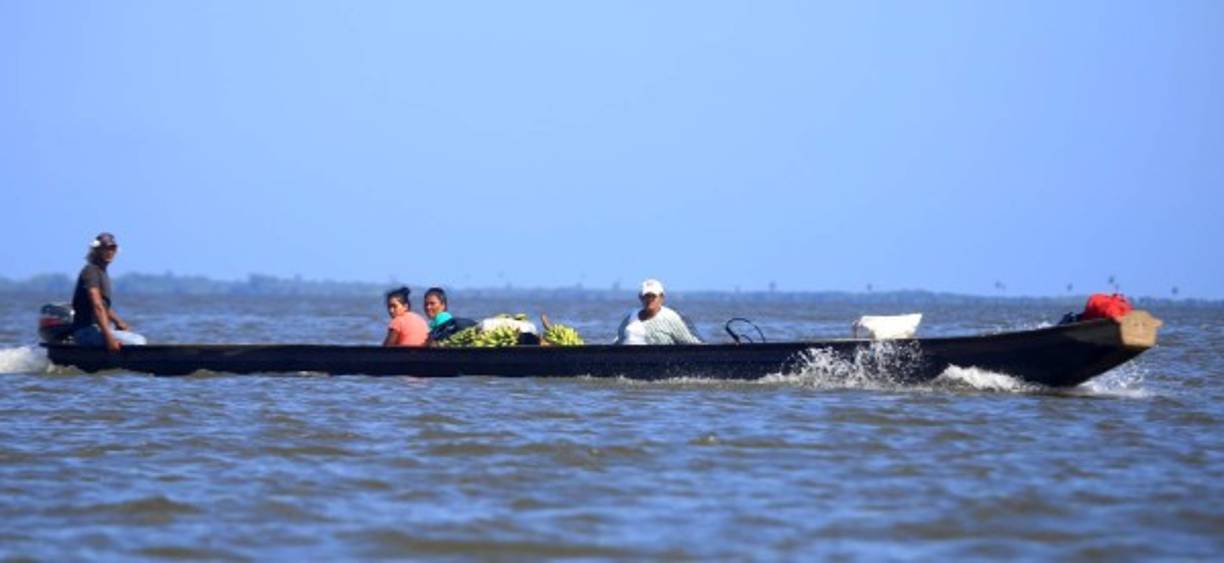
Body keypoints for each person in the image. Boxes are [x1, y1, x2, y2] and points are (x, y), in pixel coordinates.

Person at [71, 232, 147, 351]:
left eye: (112, 248)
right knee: (137, 341)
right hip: (85, 333)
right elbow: (97, 305)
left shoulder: (101, 272)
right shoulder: (91, 271)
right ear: (96, 251)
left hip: (96, 330)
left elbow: (103, 305)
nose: (109, 252)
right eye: (105, 248)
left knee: (133, 337)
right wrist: (108, 337)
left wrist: (119, 322)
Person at [614, 278, 702, 345]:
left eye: (653, 296)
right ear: (641, 298)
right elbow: (618, 340)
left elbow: (689, 341)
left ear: (661, 298)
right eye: (647, 296)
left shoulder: (670, 317)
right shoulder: (631, 317)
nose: (649, 300)